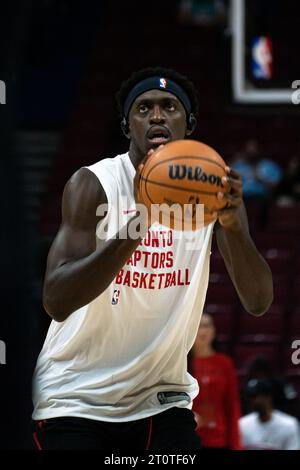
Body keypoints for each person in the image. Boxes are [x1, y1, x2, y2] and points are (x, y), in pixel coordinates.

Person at [32, 66, 273, 450]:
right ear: (128, 126)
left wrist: (235, 227)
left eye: (169, 107)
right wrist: (139, 222)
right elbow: (56, 300)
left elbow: (258, 302)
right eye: (143, 109)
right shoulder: (94, 183)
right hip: (76, 398)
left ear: (188, 124)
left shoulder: (214, 191)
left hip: (162, 400)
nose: (157, 115)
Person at [191, 313, 241, 450]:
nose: (202, 331)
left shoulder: (225, 363)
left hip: (219, 438)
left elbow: (232, 405)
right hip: (189, 438)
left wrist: (236, 444)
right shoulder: (181, 363)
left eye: (206, 326)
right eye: (198, 326)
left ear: (213, 330)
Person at [239, 378, 300, 450]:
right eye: (250, 397)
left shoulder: (289, 424)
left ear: (268, 397)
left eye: (256, 396)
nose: (253, 401)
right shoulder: (242, 424)